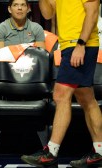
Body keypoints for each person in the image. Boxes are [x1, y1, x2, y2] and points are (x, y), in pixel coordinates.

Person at [21, 0, 102, 167]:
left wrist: (81, 44)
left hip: (80, 44)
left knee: (60, 94)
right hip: (68, 45)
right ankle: (100, 152)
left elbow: (93, 12)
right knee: (86, 98)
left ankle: (51, 152)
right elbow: (48, 14)